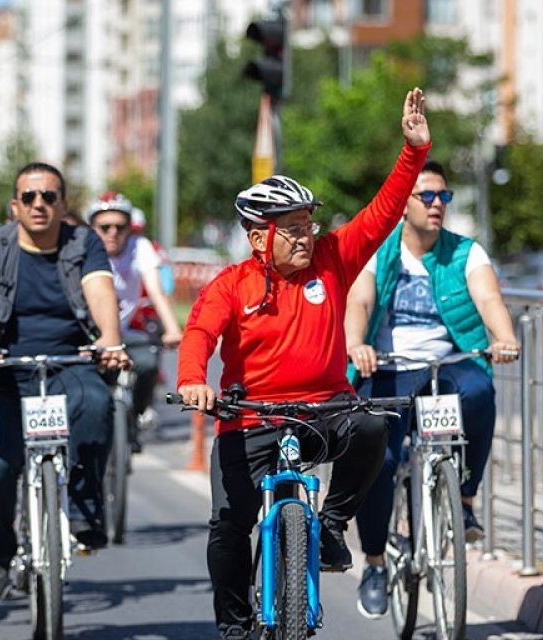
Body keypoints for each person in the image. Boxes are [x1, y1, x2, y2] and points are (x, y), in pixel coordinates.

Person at [177, 88, 432, 640]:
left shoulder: (333, 258)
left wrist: (413, 151)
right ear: (257, 236)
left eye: (307, 224)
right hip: (249, 419)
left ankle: (334, 525)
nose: (304, 235)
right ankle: (235, 626)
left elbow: (383, 212)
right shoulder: (231, 285)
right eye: (291, 228)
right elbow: (198, 333)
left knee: (371, 424)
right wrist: (194, 381)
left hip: (325, 410)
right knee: (228, 526)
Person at [345, 158, 519, 618]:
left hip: (447, 363)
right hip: (388, 366)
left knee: (480, 392)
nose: (437, 204)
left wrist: (503, 337)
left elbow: (488, 299)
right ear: (404, 204)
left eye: (444, 196)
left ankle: (463, 499)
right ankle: (376, 563)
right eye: (427, 196)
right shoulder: (379, 250)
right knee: (377, 457)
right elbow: (359, 299)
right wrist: (356, 343)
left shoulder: (466, 252)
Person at [0, 162, 130, 602]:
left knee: (96, 404)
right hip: (2, 366)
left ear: (63, 205)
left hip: (69, 360)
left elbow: (101, 290)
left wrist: (109, 339)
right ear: (15, 205)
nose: (39, 204)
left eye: (49, 196)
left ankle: (85, 509)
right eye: (29, 197)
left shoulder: (83, 241)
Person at [87, 192, 183, 426]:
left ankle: (137, 415)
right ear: (92, 227)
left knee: (149, 363)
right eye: (105, 227)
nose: (113, 233)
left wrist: (172, 328)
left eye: (120, 227)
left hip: (126, 333)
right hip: (91, 336)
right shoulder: (83, 248)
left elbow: (155, 290)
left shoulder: (139, 247)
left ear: (130, 228)